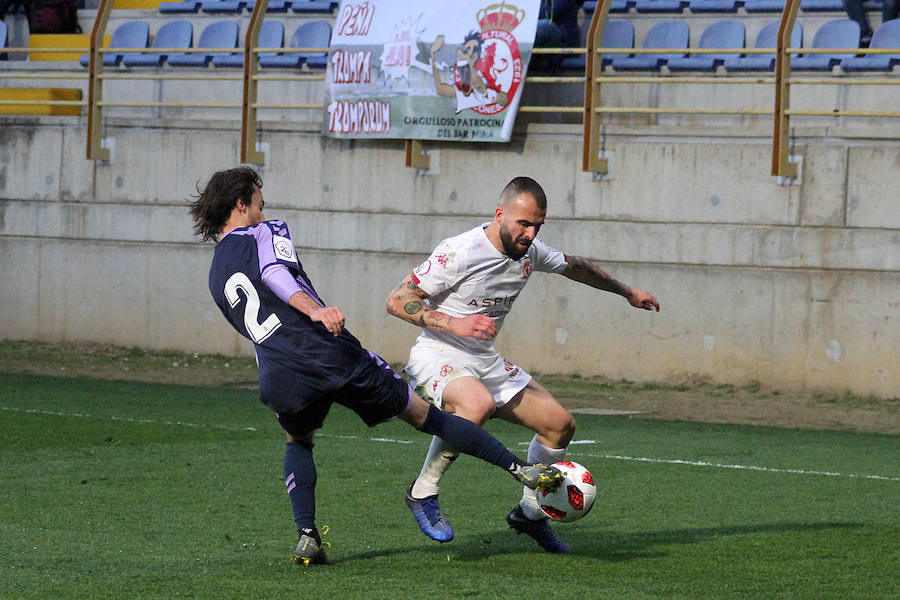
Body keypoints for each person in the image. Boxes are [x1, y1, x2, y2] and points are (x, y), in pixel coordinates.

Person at [188, 167, 563, 566]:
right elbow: (274, 272)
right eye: (259, 205)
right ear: (241, 204)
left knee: (298, 441)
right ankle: (519, 469)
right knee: (427, 417)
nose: (264, 213)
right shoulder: (266, 231)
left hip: (279, 373)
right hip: (328, 352)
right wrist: (316, 310)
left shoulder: (215, 273)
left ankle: (308, 535)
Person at [386, 176, 660, 554]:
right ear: (500, 214)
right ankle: (423, 491)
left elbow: (576, 266)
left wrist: (627, 292)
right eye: (523, 223)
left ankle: (530, 516)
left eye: (537, 226)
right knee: (476, 405)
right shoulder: (460, 251)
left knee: (559, 426)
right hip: (439, 354)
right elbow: (398, 299)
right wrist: (453, 322)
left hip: (485, 360)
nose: (530, 234)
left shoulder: (530, 252)